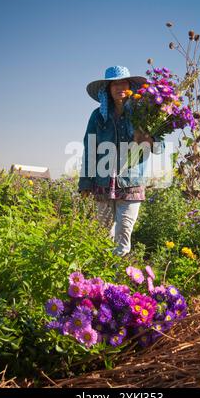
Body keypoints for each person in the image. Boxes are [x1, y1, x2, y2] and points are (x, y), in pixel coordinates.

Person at [78, 66, 164, 257]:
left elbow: (161, 147)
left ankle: (117, 281)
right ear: (107, 89)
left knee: (123, 234)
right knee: (103, 236)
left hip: (131, 182)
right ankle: (99, 281)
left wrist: (148, 140)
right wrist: (85, 182)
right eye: (114, 84)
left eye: (123, 82)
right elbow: (90, 149)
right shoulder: (98, 116)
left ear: (130, 86)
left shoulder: (143, 113)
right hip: (102, 182)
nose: (119, 87)